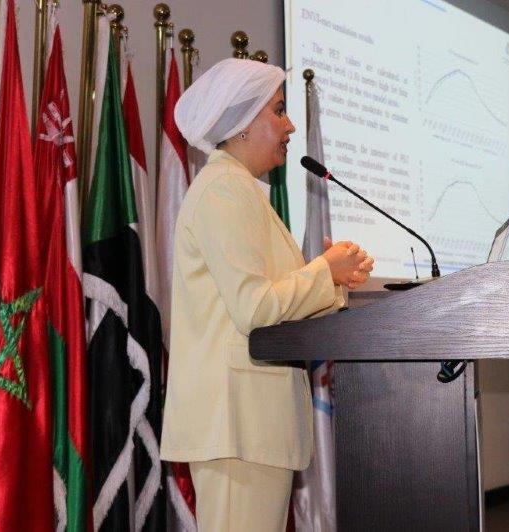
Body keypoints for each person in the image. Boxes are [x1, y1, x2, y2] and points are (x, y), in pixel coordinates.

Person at [160, 58, 374, 532]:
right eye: (278, 111)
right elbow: (255, 309)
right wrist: (324, 270)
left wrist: (334, 281)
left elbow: (273, 301)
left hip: (249, 424)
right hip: (235, 423)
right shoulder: (223, 190)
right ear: (242, 123)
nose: (290, 125)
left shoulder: (241, 190)